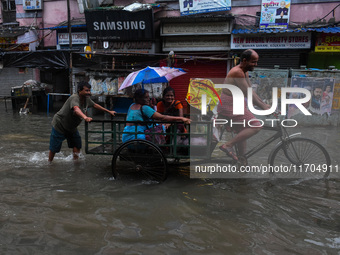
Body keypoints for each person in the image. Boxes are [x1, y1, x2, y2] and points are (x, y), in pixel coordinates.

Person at [217, 49, 270, 161]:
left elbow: (251, 91)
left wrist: (264, 104)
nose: (255, 65)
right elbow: (248, 94)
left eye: (256, 62)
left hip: (237, 103)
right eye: (253, 62)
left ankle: (241, 159)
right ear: (245, 60)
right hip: (229, 105)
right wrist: (264, 108)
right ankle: (227, 145)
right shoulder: (237, 72)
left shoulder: (244, 71)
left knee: (243, 130)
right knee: (256, 125)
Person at [48, 81, 116, 162]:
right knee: (54, 148)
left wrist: (109, 111)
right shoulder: (74, 98)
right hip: (60, 124)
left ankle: (75, 163)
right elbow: (76, 109)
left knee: (77, 144)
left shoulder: (86, 99)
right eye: (86, 90)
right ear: (80, 90)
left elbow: (95, 105)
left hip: (72, 127)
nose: (89, 92)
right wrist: (85, 117)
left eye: (89, 90)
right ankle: (49, 163)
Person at [122, 89, 190, 143]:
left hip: (126, 137)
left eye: (148, 97)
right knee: (162, 128)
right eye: (146, 97)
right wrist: (182, 118)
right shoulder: (144, 108)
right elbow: (162, 117)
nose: (148, 99)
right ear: (139, 99)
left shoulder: (132, 105)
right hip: (138, 137)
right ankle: (166, 148)